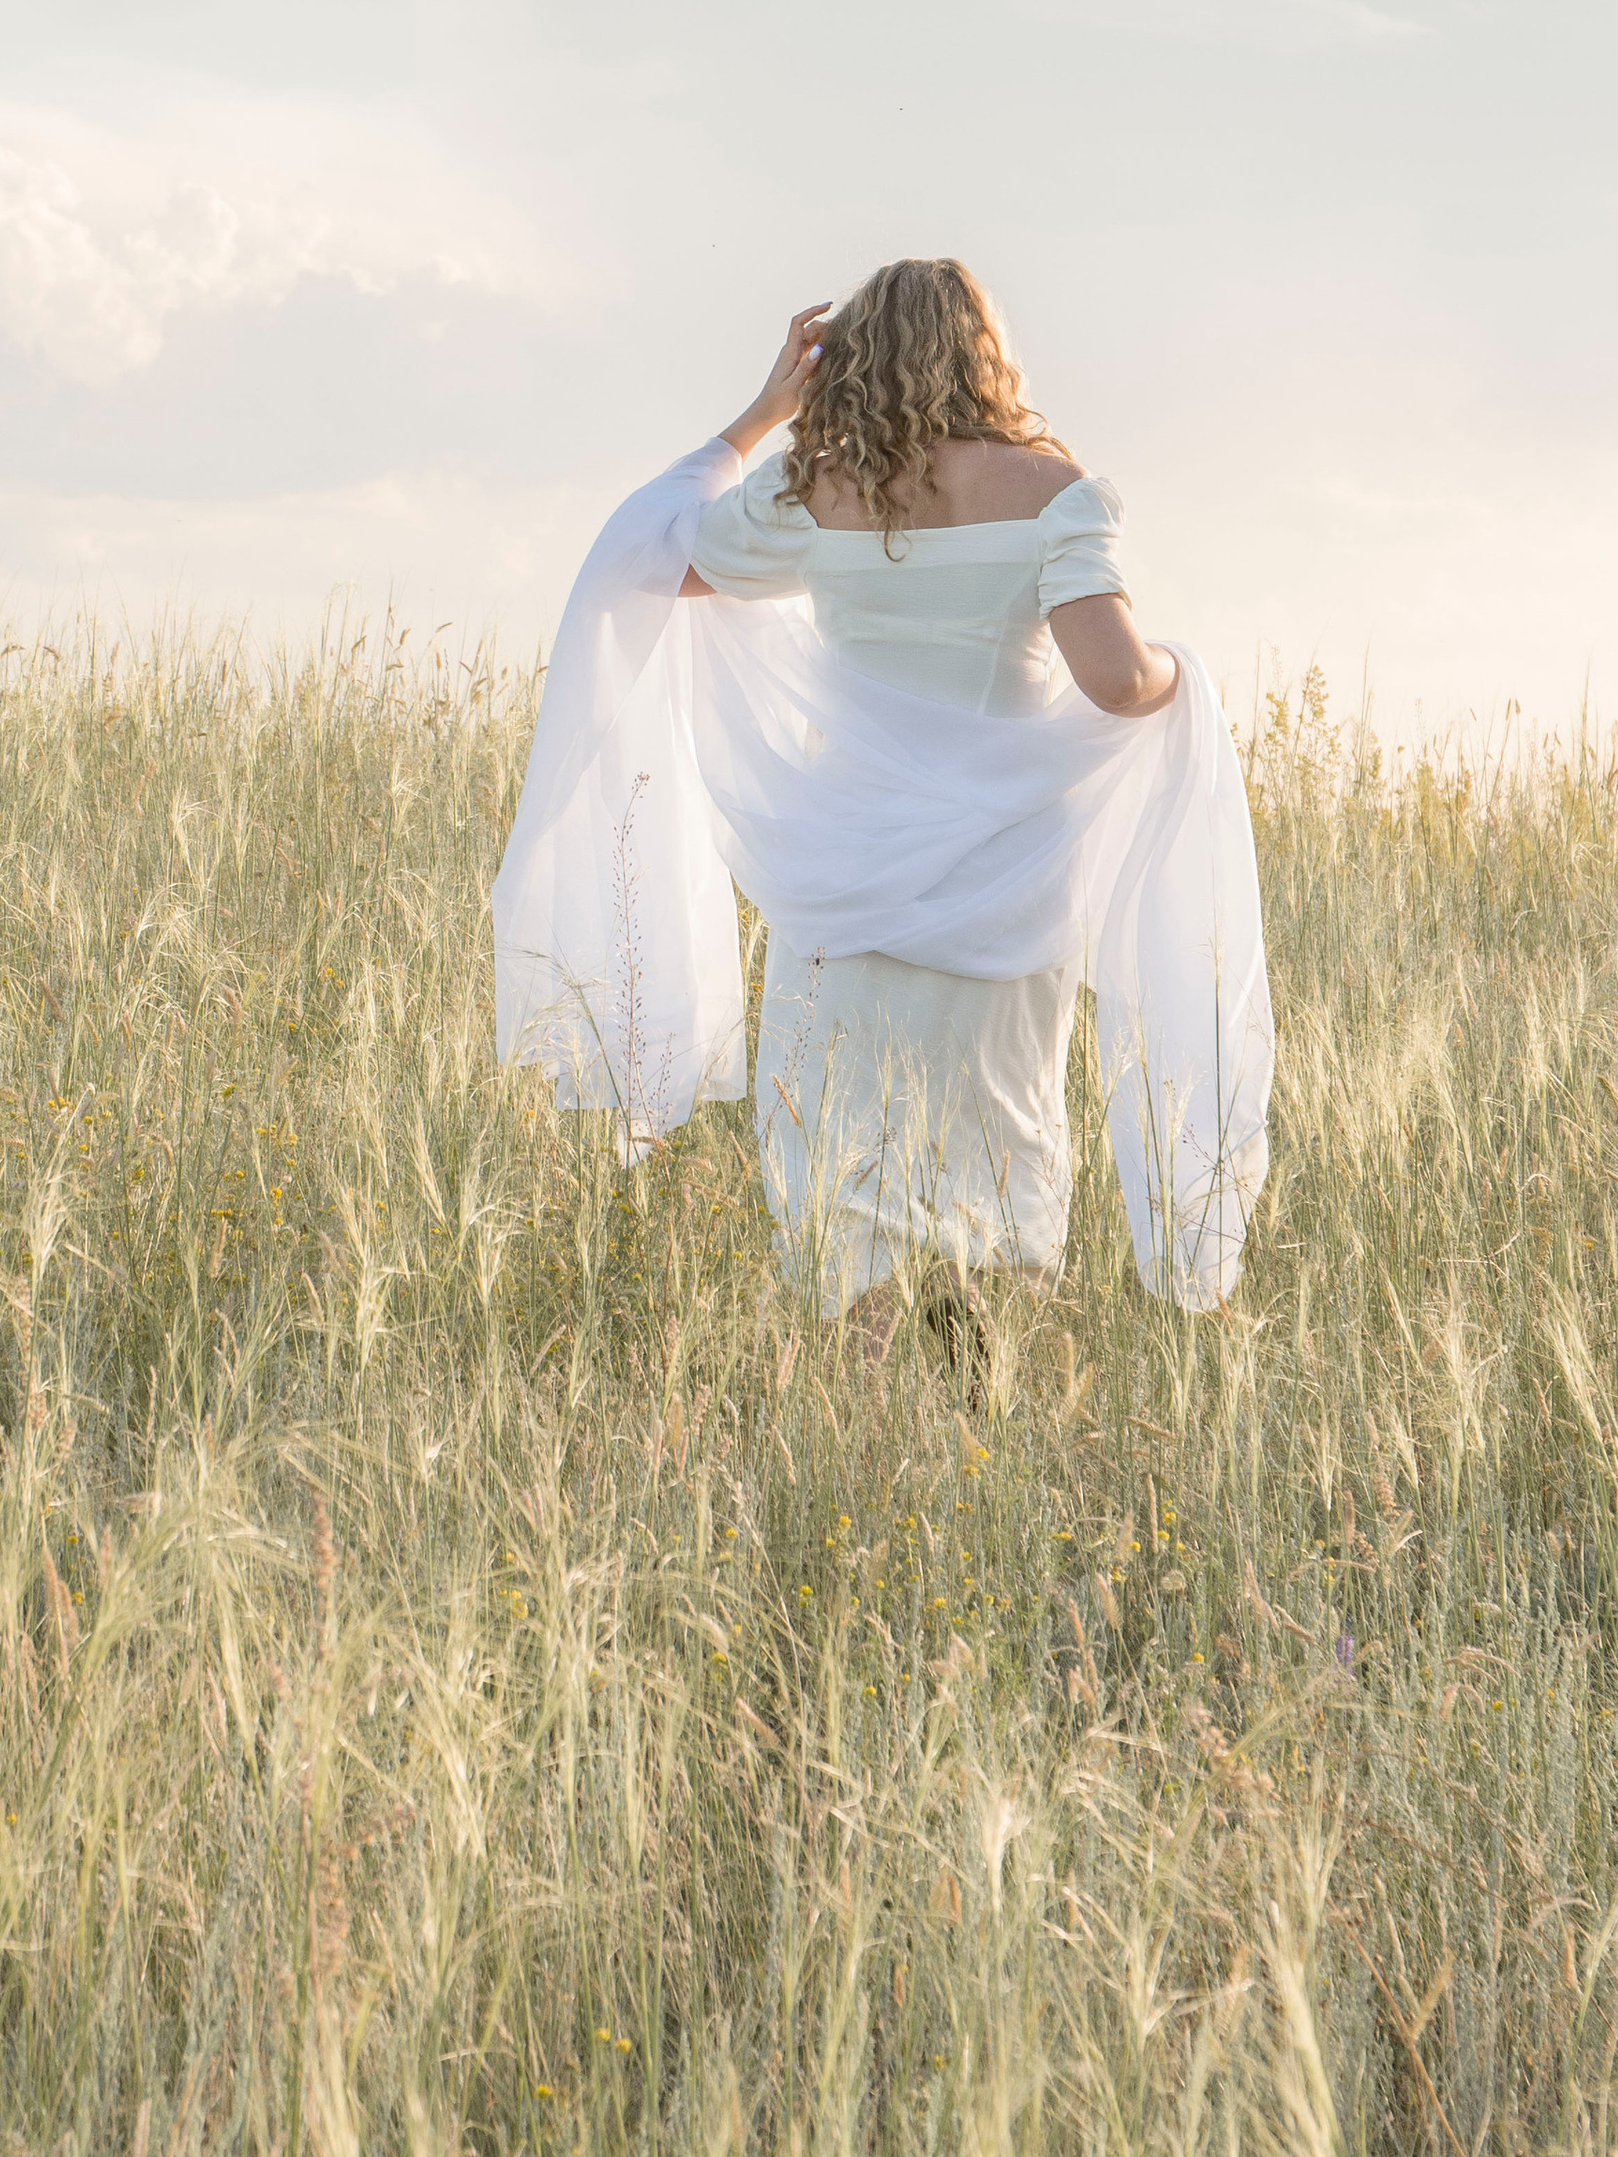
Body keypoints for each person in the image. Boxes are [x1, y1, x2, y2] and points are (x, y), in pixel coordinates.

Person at [492, 258, 1273, 1350]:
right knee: (1001, 1151)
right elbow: (1114, 683)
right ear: (984, 352)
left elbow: (655, 557)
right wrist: (1181, 678)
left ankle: (871, 1435)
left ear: (845, 360)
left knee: (849, 1170)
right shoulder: (1053, 490)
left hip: (844, 879)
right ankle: (982, 1431)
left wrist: (764, 412)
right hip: (1002, 886)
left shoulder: (813, 485)